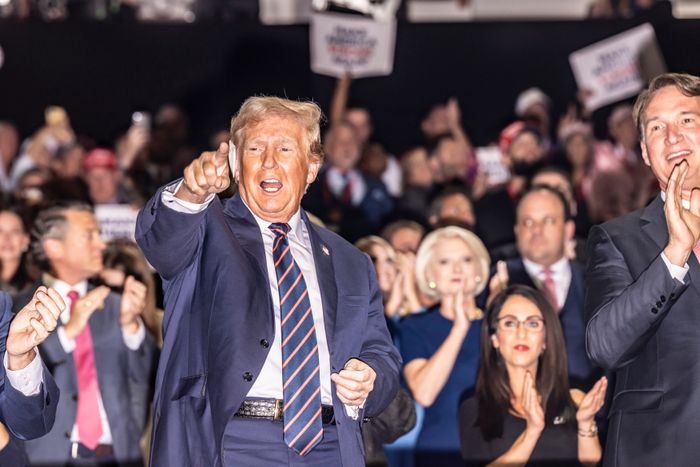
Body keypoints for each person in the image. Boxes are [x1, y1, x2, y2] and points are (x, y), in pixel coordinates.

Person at [135, 96, 401, 466]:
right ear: (235, 164)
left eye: (285, 148)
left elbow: (382, 353)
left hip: (331, 446)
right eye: (256, 148)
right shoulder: (206, 228)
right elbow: (161, 243)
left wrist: (370, 376)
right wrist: (192, 192)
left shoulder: (350, 260)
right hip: (232, 442)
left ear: (311, 167)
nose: (269, 161)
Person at [585, 72, 700, 466]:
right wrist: (675, 254)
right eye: (657, 127)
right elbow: (604, 346)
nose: (672, 136)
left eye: (687, 120)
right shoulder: (616, 238)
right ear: (646, 153)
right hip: (659, 451)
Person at [16, 202, 156, 466]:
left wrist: (131, 328)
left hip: (116, 456)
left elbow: (145, 377)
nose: (101, 245)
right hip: (48, 457)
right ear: (54, 247)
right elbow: (15, 385)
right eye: (89, 235)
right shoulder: (19, 309)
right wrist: (67, 334)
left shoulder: (115, 304)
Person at [460, 285, 607, 467]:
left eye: (532, 324)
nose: (521, 334)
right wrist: (532, 431)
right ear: (495, 338)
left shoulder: (572, 400)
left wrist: (586, 422)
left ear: (545, 339)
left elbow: (591, 464)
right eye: (510, 323)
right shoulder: (474, 408)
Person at [489, 185, 596, 389]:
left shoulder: (596, 278)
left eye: (548, 221)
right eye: (528, 222)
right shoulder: (496, 281)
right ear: (516, 230)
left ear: (568, 229)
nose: (536, 231)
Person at [400, 226, 490, 466]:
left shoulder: (499, 325)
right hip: (441, 452)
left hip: (499, 448)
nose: (457, 268)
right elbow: (424, 394)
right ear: (429, 273)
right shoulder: (415, 327)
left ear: (479, 269)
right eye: (444, 261)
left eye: (466, 259)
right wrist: (459, 329)